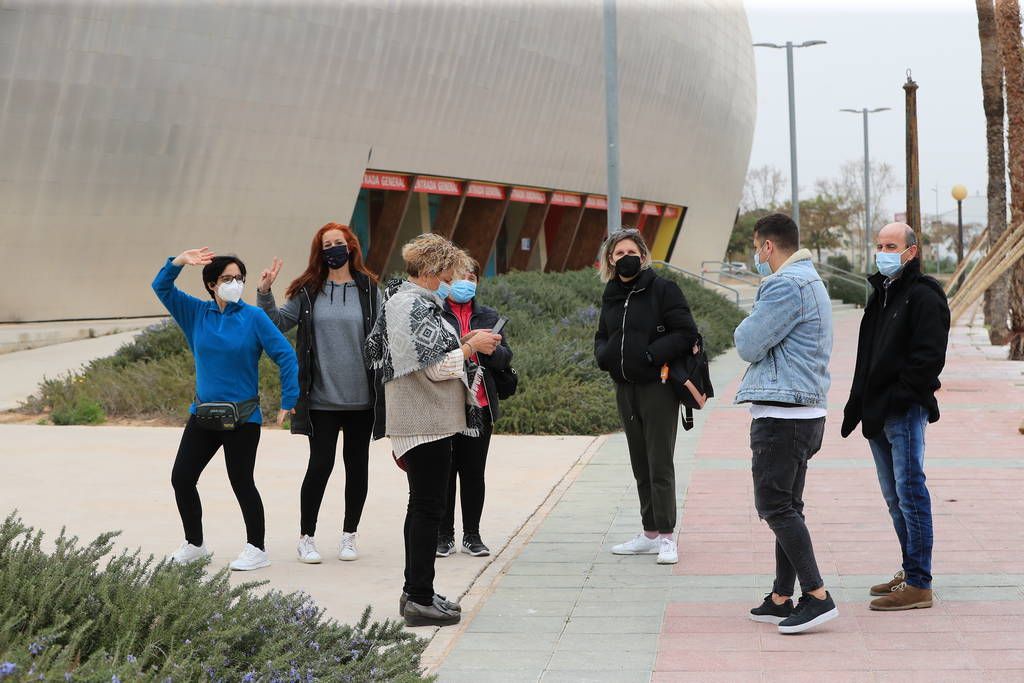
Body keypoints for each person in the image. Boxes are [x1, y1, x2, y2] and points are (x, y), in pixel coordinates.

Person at [365, 234, 501, 627]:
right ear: (429, 272)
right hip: (423, 420)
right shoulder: (411, 306)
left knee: (422, 508)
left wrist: (462, 345)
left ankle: (417, 590)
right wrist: (472, 347)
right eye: (447, 273)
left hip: (424, 419)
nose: (452, 280)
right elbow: (436, 367)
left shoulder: (410, 302)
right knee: (428, 509)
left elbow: (423, 356)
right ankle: (420, 598)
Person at [152, 247, 298, 571]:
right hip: (203, 415)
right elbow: (161, 287)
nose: (234, 283)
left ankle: (257, 549)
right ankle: (194, 544)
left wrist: (289, 399)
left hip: (243, 418)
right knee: (182, 477)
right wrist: (177, 262)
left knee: (241, 481)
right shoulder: (194, 314)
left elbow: (285, 355)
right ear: (211, 284)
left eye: (239, 278)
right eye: (227, 278)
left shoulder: (254, 318)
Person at [734, 213, 838, 634]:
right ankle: (782, 596)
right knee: (787, 506)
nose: (756, 256)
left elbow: (747, 343)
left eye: (756, 247)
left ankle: (817, 596)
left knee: (774, 507)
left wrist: (748, 319)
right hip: (805, 413)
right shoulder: (812, 281)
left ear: (767, 247)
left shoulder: (783, 284)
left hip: (782, 415)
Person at [256, 223, 384, 564]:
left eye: (338, 243)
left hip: (362, 398)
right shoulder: (308, 290)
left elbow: (386, 333)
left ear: (351, 246)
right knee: (320, 466)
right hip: (321, 398)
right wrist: (265, 292)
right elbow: (277, 324)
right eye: (326, 244)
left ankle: (349, 536)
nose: (333, 249)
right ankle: (306, 537)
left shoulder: (369, 289)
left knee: (358, 468)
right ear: (319, 251)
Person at [841, 222, 949, 611]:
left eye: (892, 246)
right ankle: (910, 569)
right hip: (877, 413)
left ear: (911, 252)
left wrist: (899, 397)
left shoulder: (924, 296)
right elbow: (866, 357)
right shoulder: (883, 294)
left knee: (911, 492)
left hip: (902, 411)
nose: (884, 251)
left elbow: (929, 357)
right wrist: (858, 406)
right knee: (894, 498)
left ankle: (920, 583)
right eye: (880, 245)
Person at [594, 228, 698, 566]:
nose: (625, 257)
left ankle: (667, 536)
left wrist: (652, 356)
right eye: (618, 253)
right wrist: (604, 356)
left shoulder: (663, 289)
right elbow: (603, 335)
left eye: (631, 251)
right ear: (610, 260)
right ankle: (649, 533)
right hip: (625, 389)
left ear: (642, 254)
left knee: (659, 462)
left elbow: (686, 333)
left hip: (658, 387)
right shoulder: (611, 294)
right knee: (640, 462)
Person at [438, 256, 511, 559]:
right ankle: (444, 536)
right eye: (459, 275)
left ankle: (472, 535)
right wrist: (466, 345)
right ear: (445, 279)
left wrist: (488, 349)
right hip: (445, 404)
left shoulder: (488, 315)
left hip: (479, 404)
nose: (465, 281)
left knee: (473, 472)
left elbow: (505, 357)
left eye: (471, 276)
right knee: (444, 472)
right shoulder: (435, 314)